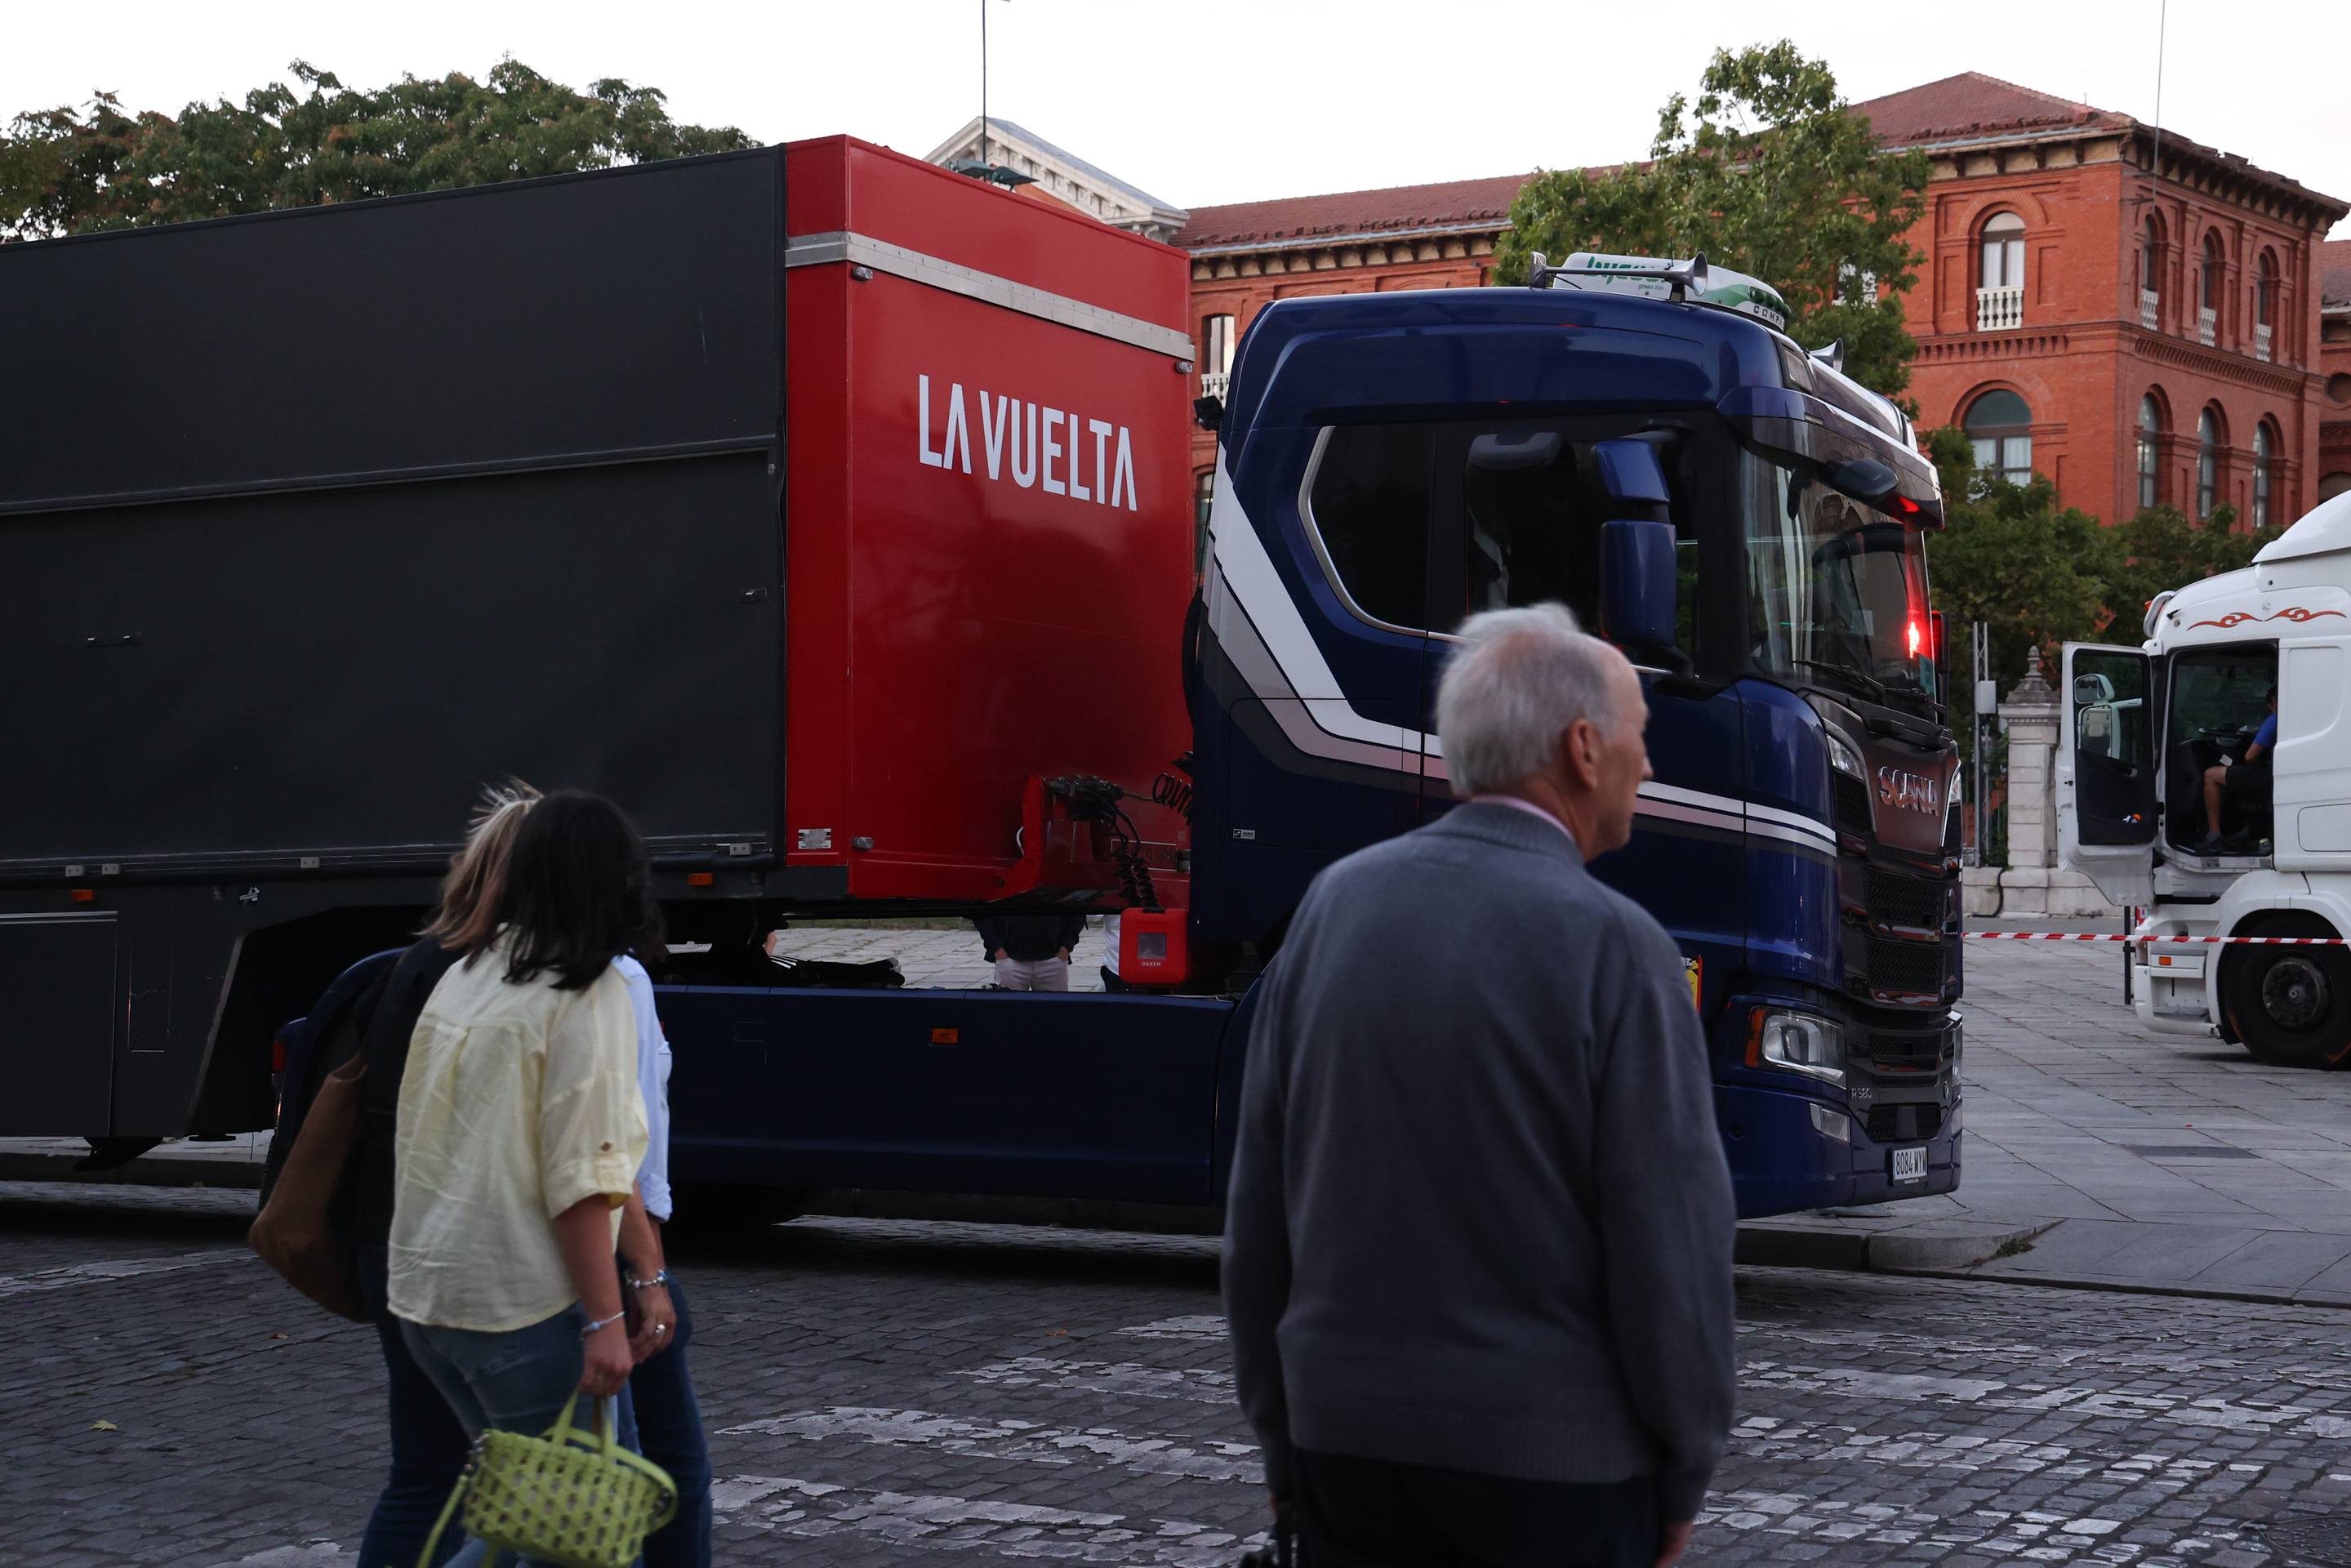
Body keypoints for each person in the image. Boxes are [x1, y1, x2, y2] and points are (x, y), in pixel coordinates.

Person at [1222, 603, 1736, 1568]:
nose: (1650, 765)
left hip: (1347, 1454)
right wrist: (1683, 1470)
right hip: (1552, 1478)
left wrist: (1284, 1444)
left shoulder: (1333, 909)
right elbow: (1669, 1252)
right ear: (1582, 748)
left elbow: (1259, 1217)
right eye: (1640, 738)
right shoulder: (1619, 950)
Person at [389, 790, 659, 1568]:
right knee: (586, 1542)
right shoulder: (587, 991)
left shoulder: (473, 968)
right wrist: (606, 1321)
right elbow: (580, 1176)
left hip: (434, 1294)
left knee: (525, 1524)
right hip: (523, 1303)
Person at [350, 783, 538, 1568]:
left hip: (401, 1243)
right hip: (453, 1255)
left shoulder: (427, 959)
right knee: (483, 1485)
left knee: (430, 1474)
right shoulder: (489, 972)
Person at [611, 942, 713, 1567]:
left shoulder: (474, 968)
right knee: (664, 1473)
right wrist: (649, 1276)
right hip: (606, 1257)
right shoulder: (613, 977)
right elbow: (613, 1148)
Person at [2199, 685, 2278, 852]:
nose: (2270, 708)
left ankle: (2214, 837)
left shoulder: (2275, 719)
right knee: (2237, 777)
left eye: (2270, 704)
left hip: (2270, 779)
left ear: (2276, 702)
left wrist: (2249, 767)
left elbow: (2250, 756)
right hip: (2281, 778)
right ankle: (2245, 829)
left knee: (2211, 775)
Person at [974, 911, 1085, 991]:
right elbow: (983, 911)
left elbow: (1077, 908)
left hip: (1053, 960)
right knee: (1009, 1016)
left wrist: (1065, 948)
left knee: (1055, 1016)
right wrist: (997, 949)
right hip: (1010, 959)